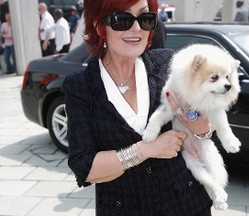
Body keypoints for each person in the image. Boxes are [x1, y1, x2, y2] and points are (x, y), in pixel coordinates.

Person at [62, 0, 213, 215]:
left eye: (145, 18)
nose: (136, 28)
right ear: (99, 26)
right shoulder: (80, 86)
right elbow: (85, 167)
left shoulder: (167, 64)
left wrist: (201, 128)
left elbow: (203, 130)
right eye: (121, 19)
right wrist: (146, 149)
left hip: (189, 205)